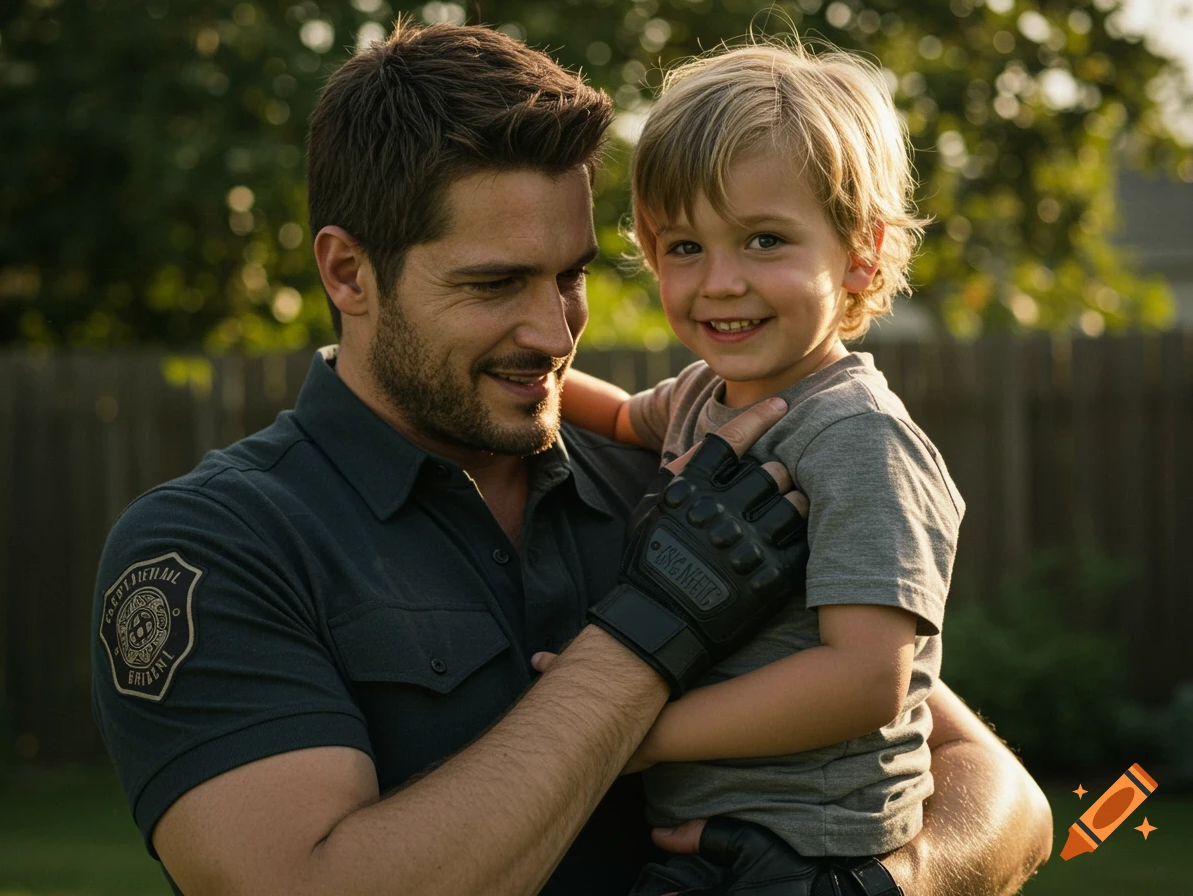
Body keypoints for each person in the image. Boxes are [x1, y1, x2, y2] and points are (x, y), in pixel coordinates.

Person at [89, 21, 1053, 896]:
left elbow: (993, 789)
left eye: (573, 275)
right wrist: (653, 628)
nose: (556, 331)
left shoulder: (690, 476)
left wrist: (889, 883)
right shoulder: (221, 545)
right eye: (496, 282)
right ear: (349, 272)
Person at [555, 40, 965, 894]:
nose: (720, 282)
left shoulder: (855, 437)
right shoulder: (710, 392)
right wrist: (518, 375)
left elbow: (863, 680)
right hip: (708, 838)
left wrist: (638, 731)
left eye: (763, 240)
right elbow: (624, 416)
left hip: (808, 851)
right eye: (683, 248)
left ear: (861, 251)